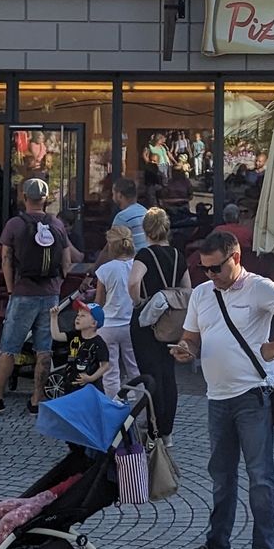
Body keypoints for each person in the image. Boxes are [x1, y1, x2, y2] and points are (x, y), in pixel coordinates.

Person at [170, 231, 274, 549]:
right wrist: (186, 349)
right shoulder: (202, 293)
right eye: (204, 269)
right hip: (217, 397)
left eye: (216, 268)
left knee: (259, 477)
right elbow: (192, 336)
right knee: (221, 475)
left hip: (253, 395)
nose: (210, 275)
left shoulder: (258, 287)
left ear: (235, 258)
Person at [0, 177, 76, 417]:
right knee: (44, 348)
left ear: (24, 197)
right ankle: (37, 399)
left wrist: (10, 289)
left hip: (23, 293)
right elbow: (67, 262)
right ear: (45, 199)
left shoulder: (15, 224)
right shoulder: (57, 224)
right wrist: (56, 284)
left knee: (9, 347)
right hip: (50, 295)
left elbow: (6, 259)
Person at [127, 206, 190, 437]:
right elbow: (187, 289)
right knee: (167, 373)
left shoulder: (144, 255)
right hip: (171, 321)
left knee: (151, 375)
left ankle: (154, 427)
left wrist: (138, 302)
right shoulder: (178, 255)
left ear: (145, 230)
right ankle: (167, 430)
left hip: (147, 322)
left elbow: (133, 282)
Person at [95, 224, 140, 396]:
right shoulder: (137, 266)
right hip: (130, 324)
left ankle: (112, 405)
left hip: (108, 325)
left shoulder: (105, 270)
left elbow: (99, 302)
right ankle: (142, 406)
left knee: (110, 371)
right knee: (134, 368)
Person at [45, 295, 110, 398]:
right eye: (78, 314)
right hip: (70, 385)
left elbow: (105, 365)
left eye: (83, 316)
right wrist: (54, 317)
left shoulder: (98, 343)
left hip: (90, 388)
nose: (78, 317)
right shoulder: (75, 335)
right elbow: (56, 335)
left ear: (94, 323)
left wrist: (91, 378)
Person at [110, 177, 147, 243]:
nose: (112, 197)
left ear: (119, 195)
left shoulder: (121, 218)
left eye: (113, 194)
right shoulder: (145, 211)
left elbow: (114, 246)